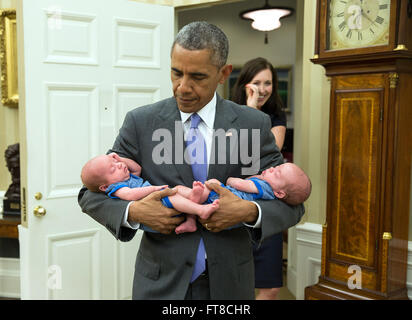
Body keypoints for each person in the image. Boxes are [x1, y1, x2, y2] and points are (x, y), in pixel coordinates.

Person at [78, 21, 305, 300]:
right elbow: (91, 194)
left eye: (197, 77)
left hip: (230, 283)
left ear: (224, 73)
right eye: (176, 73)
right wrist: (134, 213)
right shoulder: (141, 122)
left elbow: (292, 203)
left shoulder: (254, 124)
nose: (182, 88)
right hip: (160, 284)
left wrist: (248, 212)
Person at [232, 57, 288, 300]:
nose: (263, 89)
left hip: (266, 204)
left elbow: (270, 152)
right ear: (245, 84)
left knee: (270, 287)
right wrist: (250, 110)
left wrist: (255, 112)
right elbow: (237, 154)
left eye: (268, 83)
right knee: (234, 283)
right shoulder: (228, 112)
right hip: (232, 199)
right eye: (257, 83)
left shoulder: (276, 116)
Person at [80, 152, 220, 234]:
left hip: (161, 193)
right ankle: (200, 209)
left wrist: (120, 159)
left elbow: (137, 168)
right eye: (113, 169)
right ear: (104, 187)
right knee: (173, 196)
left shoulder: (128, 176)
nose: (119, 166)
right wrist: (153, 189)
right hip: (156, 202)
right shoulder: (117, 188)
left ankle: (193, 204)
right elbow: (131, 195)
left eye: (115, 162)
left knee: (178, 189)